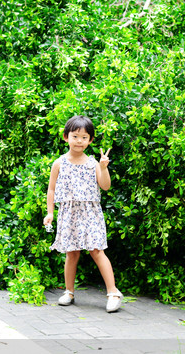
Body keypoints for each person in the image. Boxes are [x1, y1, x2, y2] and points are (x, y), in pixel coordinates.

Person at [43, 115, 123, 313]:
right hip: (68, 212)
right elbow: (51, 189)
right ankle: (69, 291)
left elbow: (105, 186)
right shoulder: (59, 163)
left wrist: (104, 168)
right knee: (71, 253)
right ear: (65, 137)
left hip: (90, 213)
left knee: (96, 250)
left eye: (84, 137)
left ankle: (113, 292)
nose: (79, 141)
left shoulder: (94, 164)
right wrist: (50, 212)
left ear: (90, 140)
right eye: (75, 136)